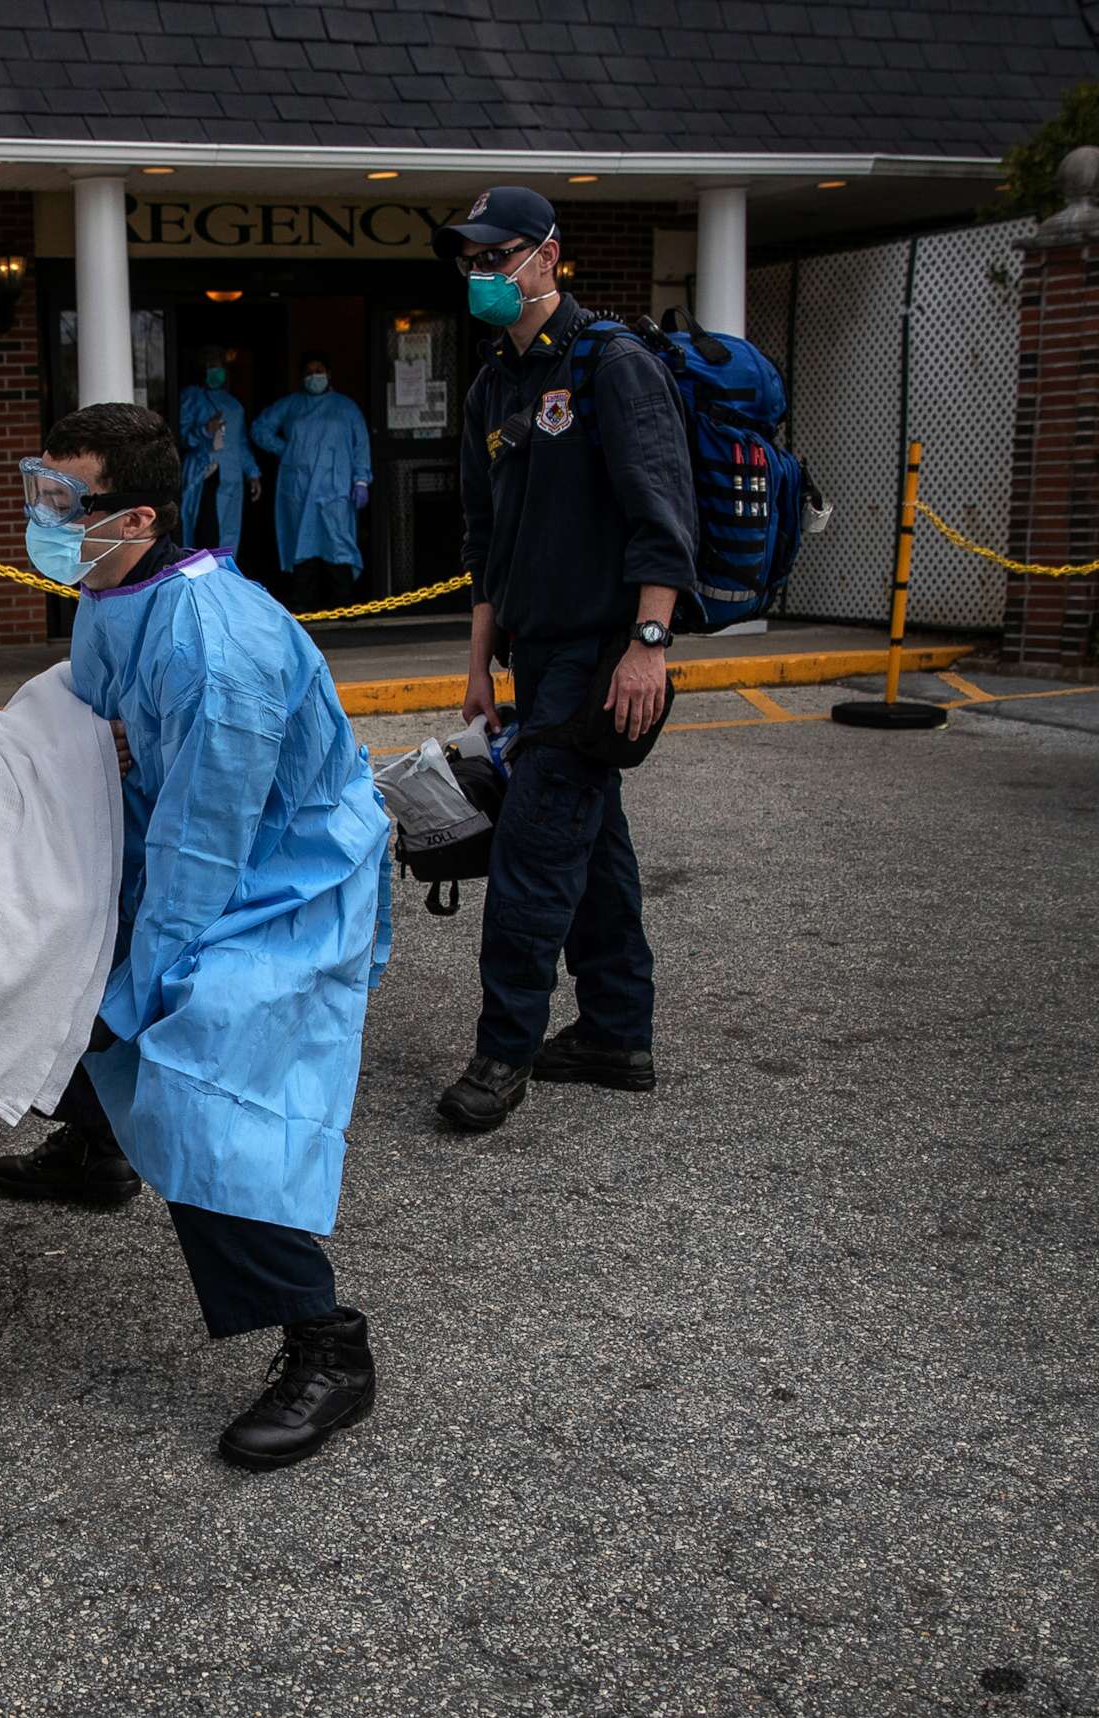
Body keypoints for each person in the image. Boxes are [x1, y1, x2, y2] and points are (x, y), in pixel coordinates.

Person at [0, 401, 393, 1473]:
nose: (46, 517)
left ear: (139, 519)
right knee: (63, 958)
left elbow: (205, 858)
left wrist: (145, 989)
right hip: (184, 842)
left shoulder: (216, 649)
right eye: (41, 490)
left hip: (279, 875)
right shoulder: (113, 592)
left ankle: (325, 1342)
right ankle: (95, 1150)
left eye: (68, 503)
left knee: (191, 1057)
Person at [431, 186, 695, 1134]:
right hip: (535, 656)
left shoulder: (613, 365)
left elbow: (661, 517)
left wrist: (648, 648)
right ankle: (617, 1032)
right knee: (594, 843)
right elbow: (484, 540)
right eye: (470, 260)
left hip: (601, 651)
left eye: (497, 257)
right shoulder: (492, 385)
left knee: (537, 857)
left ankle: (503, 1055)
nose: (482, 274)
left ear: (548, 255)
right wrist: (476, 672)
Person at [249, 355, 372, 613]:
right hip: (300, 487)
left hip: (335, 487)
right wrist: (286, 450)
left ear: (329, 373)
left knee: (338, 542)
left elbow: (360, 444)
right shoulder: (292, 405)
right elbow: (260, 428)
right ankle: (304, 603)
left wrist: (361, 479)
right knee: (303, 542)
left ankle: (343, 602)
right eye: (309, 371)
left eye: (319, 370)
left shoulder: (346, 408)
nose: (314, 376)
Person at [175, 351, 260, 555]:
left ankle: (224, 578)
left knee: (228, 533)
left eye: (218, 366)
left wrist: (253, 473)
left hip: (230, 476)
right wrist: (205, 430)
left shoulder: (234, 405)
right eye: (210, 366)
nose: (215, 371)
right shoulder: (191, 397)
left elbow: (240, 442)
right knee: (203, 533)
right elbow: (180, 436)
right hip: (203, 475)